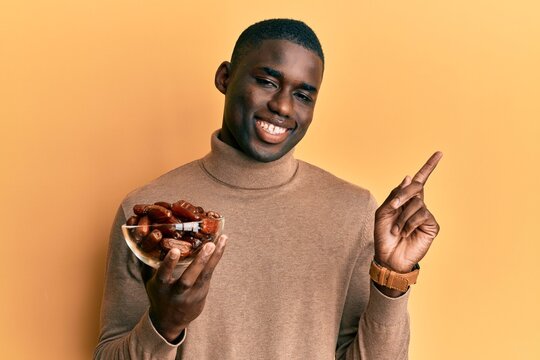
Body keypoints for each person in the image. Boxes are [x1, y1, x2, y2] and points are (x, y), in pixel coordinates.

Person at [94, 19, 442, 360]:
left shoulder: (353, 210)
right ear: (225, 77)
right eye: (266, 82)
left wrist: (391, 279)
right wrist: (163, 325)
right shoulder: (147, 214)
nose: (284, 106)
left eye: (303, 95)